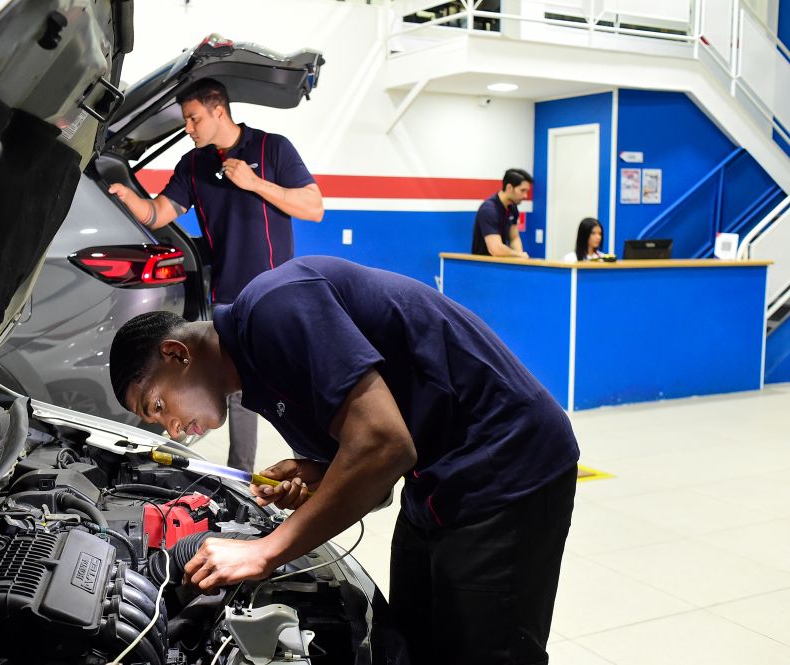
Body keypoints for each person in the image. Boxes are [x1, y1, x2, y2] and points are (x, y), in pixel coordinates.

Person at [109, 256, 579, 664]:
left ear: (176, 354)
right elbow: (376, 473)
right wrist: (317, 476)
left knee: (487, 655)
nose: (172, 428)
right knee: (413, 645)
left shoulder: (275, 307)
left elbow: (384, 446)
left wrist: (265, 551)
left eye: (157, 406)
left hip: (506, 462)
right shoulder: (255, 377)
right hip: (436, 481)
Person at [107, 78, 323, 473]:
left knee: (288, 386)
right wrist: (124, 196)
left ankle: (312, 465)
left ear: (218, 110)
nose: (188, 129)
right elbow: (158, 213)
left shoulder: (271, 147)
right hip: (228, 299)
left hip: (278, 297)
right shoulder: (193, 165)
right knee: (238, 393)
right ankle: (241, 474)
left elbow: (313, 206)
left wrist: (254, 182)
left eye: (193, 119)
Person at [471, 168, 532, 258]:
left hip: (501, 264)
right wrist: (518, 254)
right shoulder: (489, 209)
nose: (525, 196)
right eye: (522, 190)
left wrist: (520, 260)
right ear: (509, 188)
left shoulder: (513, 208)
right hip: (483, 266)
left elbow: (514, 238)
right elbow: (495, 249)